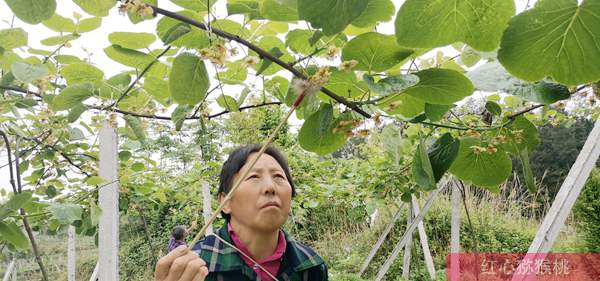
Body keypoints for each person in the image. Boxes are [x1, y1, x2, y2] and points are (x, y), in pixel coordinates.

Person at [154, 144, 328, 281]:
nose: (270, 187)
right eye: (253, 177)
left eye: (279, 177)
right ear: (225, 202)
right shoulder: (194, 269)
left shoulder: (311, 265)